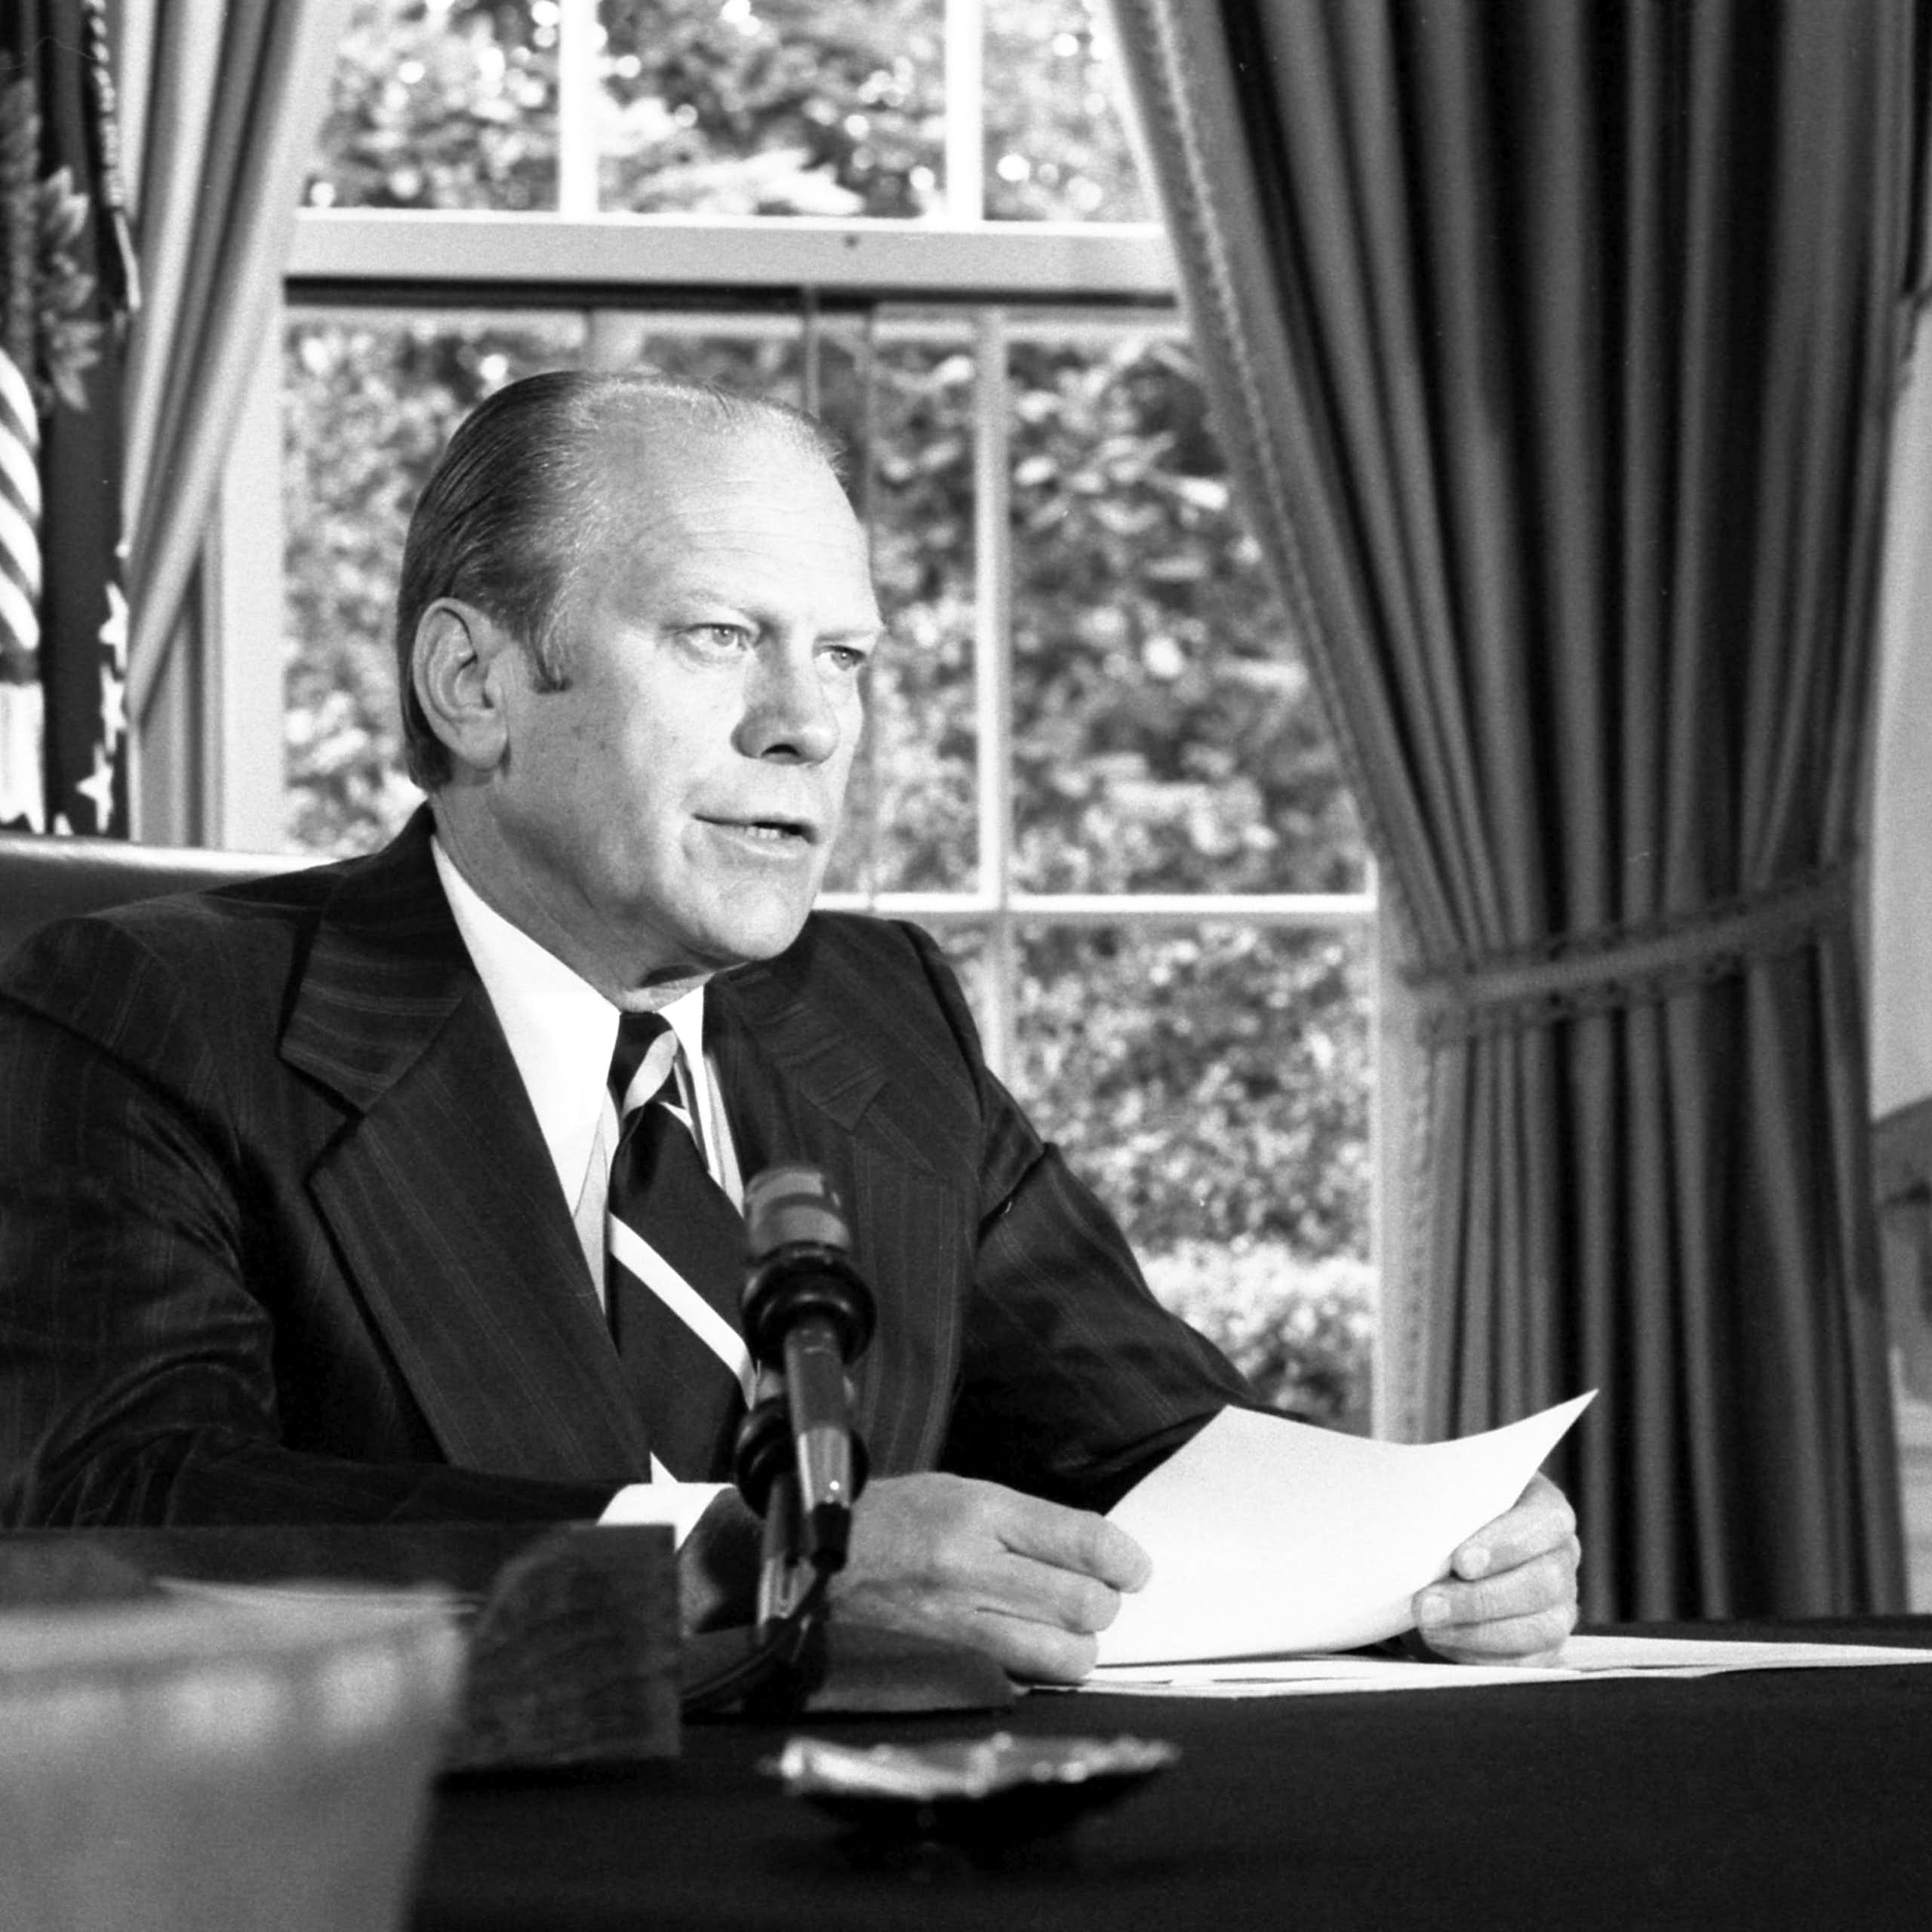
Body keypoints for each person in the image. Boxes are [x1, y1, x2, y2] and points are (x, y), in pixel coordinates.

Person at [0, 371, 1578, 1679]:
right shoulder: (150, 1012)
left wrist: (1423, 1545)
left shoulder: (874, 1017)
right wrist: (745, 1570)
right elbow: (128, 1515)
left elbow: (1147, 1451)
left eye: (842, 656)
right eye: (716, 636)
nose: (807, 723)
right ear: (472, 681)